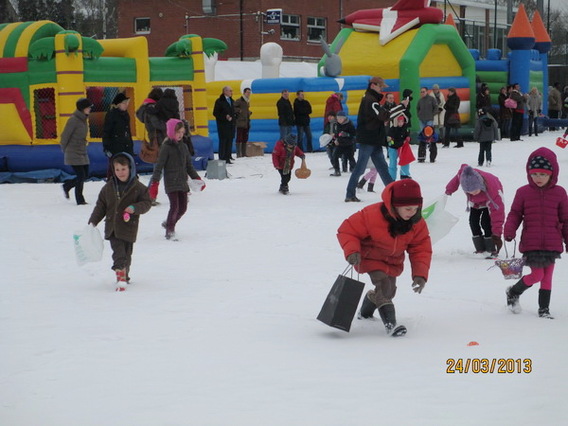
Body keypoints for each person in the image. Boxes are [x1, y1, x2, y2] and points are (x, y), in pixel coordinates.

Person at [337, 179, 432, 337]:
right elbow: (347, 230)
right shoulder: (371, 215)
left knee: (389, 290)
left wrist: (420, 275)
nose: (412, 212)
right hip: (370, 258)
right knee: (385, 286)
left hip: (393, 262)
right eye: (408, 208)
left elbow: (421, 248)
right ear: (394, 205)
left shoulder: (416, 223)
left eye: (416, 208)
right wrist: (352, 251)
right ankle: (391, 325)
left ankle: (366, 310)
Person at [504, 147, 568, 319]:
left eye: (543, 174)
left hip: (552, 242)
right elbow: (515, 213)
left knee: (547, 277)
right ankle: (513, 292)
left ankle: (544, 309)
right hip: (531, 242)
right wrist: (509, 229)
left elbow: (566, 218)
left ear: (552, 174)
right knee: (537, 275)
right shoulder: (523, 192)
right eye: (534, 174)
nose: (538, 178)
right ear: (529, 173)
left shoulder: (560, 193)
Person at [88, 152, 152, 291]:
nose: (120, 173)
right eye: (117, 170)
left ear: (130, 168)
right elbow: (101, 206)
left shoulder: (138, 187)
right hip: (113, 227)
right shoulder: (108, 187)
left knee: (127, 254)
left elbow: (147, 203)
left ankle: (125, 275)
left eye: (123, 169)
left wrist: (134, 208)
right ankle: (120, 279)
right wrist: (93, 221)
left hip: (129, 227)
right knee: (119, 254)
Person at [150, 119, 206, 241]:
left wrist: (197, 178)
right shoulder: (166, 148)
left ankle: (169, 222)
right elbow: (159, 166)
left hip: (182, 181)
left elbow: (189, 166)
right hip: (171, 182)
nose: (180, 135)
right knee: (174, 207)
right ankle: (170, 231)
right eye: (177, 132)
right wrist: (155, 182)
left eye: (182, 132)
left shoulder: (184, 146)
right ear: (171, 132)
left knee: (183, 208)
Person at [345, 76, 394, 202]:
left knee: (382, 168)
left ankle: (394, 193)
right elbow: (383, 116)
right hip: (368, 139)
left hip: (374, 139)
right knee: (361, 168)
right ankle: (350, 194)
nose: (381, 89)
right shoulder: (370, 100)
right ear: (373, 85)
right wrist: (399, 108)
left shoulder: (371, 99)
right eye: (380, 86)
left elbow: (380, 115)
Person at [445, 165, 505, 257]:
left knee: (486, 222)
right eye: (469, 192)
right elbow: (457, 179)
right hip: (475, 202)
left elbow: (498, 215)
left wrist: (497, 234)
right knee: (473, 222)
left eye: (475, 191)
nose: (473, 193)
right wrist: (449, 189)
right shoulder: (464, 176)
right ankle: (480, 247)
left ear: (480, 185)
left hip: (488, 198)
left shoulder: (493, 190)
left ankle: (491, 247)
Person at [60, 97, 92, 205]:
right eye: (88, 107)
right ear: (83, 108)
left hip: (82, 150)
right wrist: (65, 149)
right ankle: (80, 199)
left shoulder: (83, 119)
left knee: (85, 175)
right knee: (81, 175)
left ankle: (67, 185)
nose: (90, 109)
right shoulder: (73, 120)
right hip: (73, 151)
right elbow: (65, 135)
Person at [103, 92, 134, 158]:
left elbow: (128, 131)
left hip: (127, 147)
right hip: (115, 148)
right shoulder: (111, 115)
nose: (126, 105)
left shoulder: (126, 114)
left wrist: (131, 146)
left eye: (127, 103)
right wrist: (107, 148)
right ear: (118, 104)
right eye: (124, 103)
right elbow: (106, 132)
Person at [386, 104, 411, 180]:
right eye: (399, 121)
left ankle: (404, 175)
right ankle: (391, 178)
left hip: (402, 148)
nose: (400, 123)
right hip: (393, 148)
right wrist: (399, 143)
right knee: (393, 163)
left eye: (402, 121)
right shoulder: (392, 129)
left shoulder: (405, 128)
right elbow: (391, 141)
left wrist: (408, 138)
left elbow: (407, 134)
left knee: (405, 161)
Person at [213, 86, 236, 163]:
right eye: (230, 91)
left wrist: (235, 115)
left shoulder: (232, 101)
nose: (231, 92)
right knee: (223, 141)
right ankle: (222, 157)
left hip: (231, 124)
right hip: (223, 125)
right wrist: (225, 116)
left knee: (230, 140)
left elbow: (233, 111)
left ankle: (228, 156)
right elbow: (215, 113)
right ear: (225, 91)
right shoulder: (219, 101)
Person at [330, 111, 356, 176]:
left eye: (340, 118)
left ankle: (355, 169)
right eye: (338, 118)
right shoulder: (337, 124)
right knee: (334, 155)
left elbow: (354, 134)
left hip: (348, 144)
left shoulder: (350, 124)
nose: (339, 120)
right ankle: (337, 170)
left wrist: (347, 134)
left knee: (350, 157)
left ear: (344, 118)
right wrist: (335, 139)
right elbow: (337, 133)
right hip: (340, 144)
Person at [234, 87, 252, 158]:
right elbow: (234, 107)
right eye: (247, 92)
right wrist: (239, 111)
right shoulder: (239, 100)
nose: (248, 94)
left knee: (245, 137)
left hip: (246, 122)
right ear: (244, 93)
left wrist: (248, 113)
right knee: (239, 137)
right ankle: (239, 153)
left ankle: (244, 152)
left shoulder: (247, 101)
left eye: (249, 92)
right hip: (240, 122)